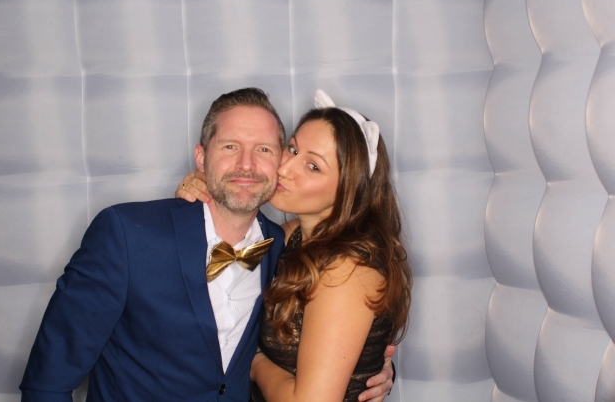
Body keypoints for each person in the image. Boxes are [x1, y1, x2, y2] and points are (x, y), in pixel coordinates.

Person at [20, 88, 394, 402]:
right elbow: (47, 382)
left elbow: (343, 324)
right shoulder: (129, 235)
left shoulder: (286, 250)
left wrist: (370, 362)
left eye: (264, 149)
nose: (247, 165)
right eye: (230, 146)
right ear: (201, 157)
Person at [177, 90, 412, 402]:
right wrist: (196, 193)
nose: (285, 169)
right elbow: (227, 261)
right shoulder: (290, 237)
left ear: (349, 189)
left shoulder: (348, 270)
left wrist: (251, 360)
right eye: (293, 149)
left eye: (313, 166)